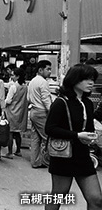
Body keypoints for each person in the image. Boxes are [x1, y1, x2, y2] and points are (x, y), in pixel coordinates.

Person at [45, 64, 102, 210]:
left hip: (82, 155)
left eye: (93, 79)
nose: (91, 83)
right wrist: (76, 135)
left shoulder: (88, 103)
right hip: (63, 156)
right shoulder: (61, 102)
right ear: (74, 80)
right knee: (58, 196)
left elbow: (87, 127)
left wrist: (90, 135)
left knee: (96, 199)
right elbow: (50, 129)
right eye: (87, 79)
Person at [27, 60, 52, 168]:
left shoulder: (32, 81)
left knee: (35, 138)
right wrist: (52, 111)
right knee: (48, 137)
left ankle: (35, 162)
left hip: (33, 111)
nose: (50, 72)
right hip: (41, 112)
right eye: (48, 69)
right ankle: (50, 161)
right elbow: (46, 99)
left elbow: (28, 98)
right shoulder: (43, 82)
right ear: (40, 70)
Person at [3, 68, 28, 159]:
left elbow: (8, 100)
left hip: (11, 111)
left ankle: (10, 152)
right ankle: (18, 150)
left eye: (13, 75)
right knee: (17, 132)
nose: (11, 76)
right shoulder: (25, 86)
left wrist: (3, 103)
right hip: (21, 112)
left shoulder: (13, 87)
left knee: (10, 132)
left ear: (18, 76)